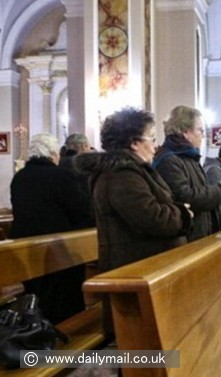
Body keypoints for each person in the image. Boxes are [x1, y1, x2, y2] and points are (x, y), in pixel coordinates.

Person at [75, 107, 193, 335]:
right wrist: (183, 214)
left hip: (143, 265)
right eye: (152, 138)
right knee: (137, 337)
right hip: (133, 268)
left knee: (149, 337)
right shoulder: (121, 174)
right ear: (134, 143)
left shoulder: (132, 170)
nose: (156, 145)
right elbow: (151, 218)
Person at [9, 132, 95, 323]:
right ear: (52, 154)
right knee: (63, 302)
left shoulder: (19, 177)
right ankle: (66, 335)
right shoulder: (61, 176)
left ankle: (34, 331)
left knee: (36, 297)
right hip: (59, 250)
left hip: (26, 248)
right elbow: (81, 210)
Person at [153, 105, 221, 241]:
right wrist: (218, 192)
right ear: (185, 132)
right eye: (200, 130)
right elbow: (185, 197)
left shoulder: (189, 157)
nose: (203, 135)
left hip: (199, 233)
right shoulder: (169, 160)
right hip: (187, 237)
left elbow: (206, 203)